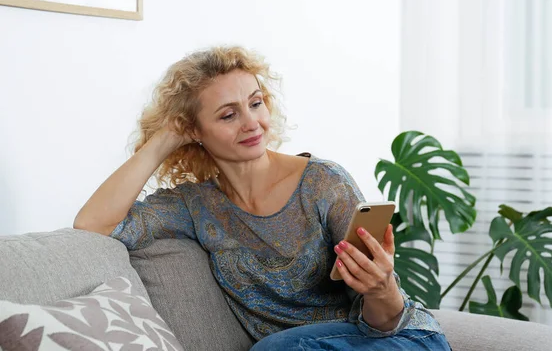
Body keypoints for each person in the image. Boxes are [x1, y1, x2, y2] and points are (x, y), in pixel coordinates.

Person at [73, 46, 451, 350]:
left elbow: (386, 321)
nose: (252, 123)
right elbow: (94, 225)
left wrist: (382, 286)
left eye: (256, 103)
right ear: (193, 129)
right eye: (228, 115)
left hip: (394, 338)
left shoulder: (322, 182)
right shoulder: (196, 205)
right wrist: (163, 140)